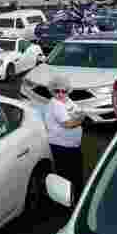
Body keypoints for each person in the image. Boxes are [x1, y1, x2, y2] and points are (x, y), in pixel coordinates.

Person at [44, 75, 85, 204]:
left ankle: (75, 199)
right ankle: (68, 202)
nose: (61, 94)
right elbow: (68, 123)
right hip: (61, 146)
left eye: (64, 91)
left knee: (75, 174)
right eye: (57, 91)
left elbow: (79, 113)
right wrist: (79, 120)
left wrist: (78, 118)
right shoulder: (56, 105)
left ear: (68, 91)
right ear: (52, 90)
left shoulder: (67, 101)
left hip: (72, 146)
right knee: (67, 175)